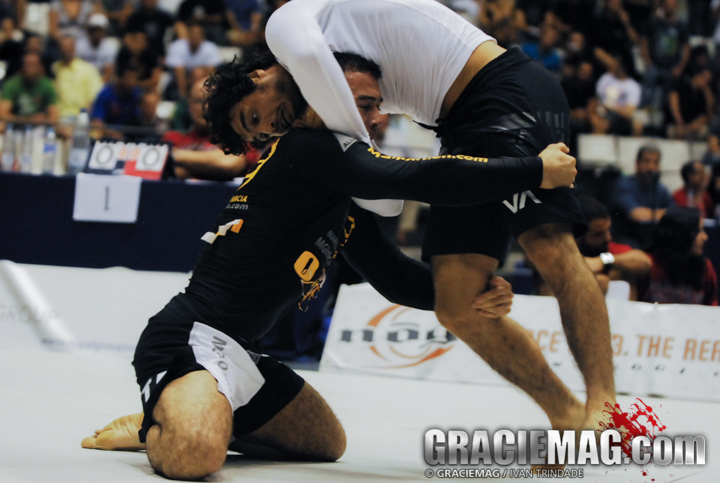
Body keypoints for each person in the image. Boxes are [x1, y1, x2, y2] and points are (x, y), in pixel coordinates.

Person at [80, 53, 576, 480]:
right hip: (189, 335)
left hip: (242, 353)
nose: (373, 118)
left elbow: (393, 277)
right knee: (195, 455)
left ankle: (201, 406)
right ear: (324, 90)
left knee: (326, 443)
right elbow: (413, 177)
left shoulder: (338, 188)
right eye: (361, 105)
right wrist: (534, 170)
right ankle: (156, 424)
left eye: (374, 106)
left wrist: (466, 293)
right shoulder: (306, 149)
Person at [213, 0, 617, 444]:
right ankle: (566, 416)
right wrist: (347, 148)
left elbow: (315, 68)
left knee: (548, 247)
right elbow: (383, 205)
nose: (273, 126)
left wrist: (345, 142)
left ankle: (604, 407)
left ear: (255, 77)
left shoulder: (286, 28)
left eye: (256, 116)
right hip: (456, 125)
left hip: (501, 85)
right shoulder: (324, 120)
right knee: (458, 305)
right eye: (264, 135)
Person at [163, 78, 247, 180]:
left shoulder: (238, 137)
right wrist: (211, 167)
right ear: (189, 105)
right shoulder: (173, 138)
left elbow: (230, 163)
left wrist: (175, 155)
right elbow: (171, 171)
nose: (206, 107)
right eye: (199, 101)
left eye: (212, 101)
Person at [575, 194, 651, 300]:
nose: (608, 238)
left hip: (619, 313)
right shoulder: (560, 256)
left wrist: (603, 261)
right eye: (598, 234)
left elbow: (644, 262)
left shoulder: (608, 249)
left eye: (608, 230)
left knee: (620, 272)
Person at [639, 207, 718, 306]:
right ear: (681, 235)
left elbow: (711, 307)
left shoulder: (705, 267)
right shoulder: (647, 265)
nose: (705, 237)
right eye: (698, 231)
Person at [613, 145, 674, 247]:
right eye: (646, 161)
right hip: (626, 237)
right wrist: (666, 214)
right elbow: (636, 215)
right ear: (637, 164)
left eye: (655, 162)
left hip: (651, 238)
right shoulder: (624, 185)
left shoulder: (661, 188)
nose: (651, 167)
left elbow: (674, 215)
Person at [0, 52, 59, 127]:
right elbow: (3, 114)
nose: (30, 68)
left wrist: (44, 119)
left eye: (33, 65)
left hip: (41, 126)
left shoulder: (47, 85)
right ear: (22, 67)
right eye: (27, 65)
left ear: (40, 67)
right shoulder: (12, 84)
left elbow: (54, 116)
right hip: (15, 125)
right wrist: (28, 120)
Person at [52, 35, 104, 119]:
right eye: (63, 46)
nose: (66, 49)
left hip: (82, 115)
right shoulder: (54, 69)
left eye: (69, 46)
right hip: (59, 117)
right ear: (59, 49)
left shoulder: (88, 69)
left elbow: (95, 97)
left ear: (74, 48)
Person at [75, 13, 120, 82]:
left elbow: (108, 72)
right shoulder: (80, 45)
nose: (96, 33)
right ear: (89, 31)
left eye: (99, 30)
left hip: (102, 80)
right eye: (94, 30)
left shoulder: (110, 46)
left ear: (104, 31)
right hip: (83, 80)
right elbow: (76, 68)